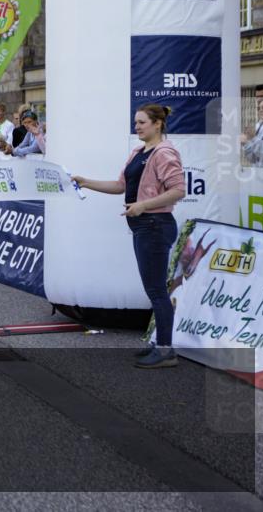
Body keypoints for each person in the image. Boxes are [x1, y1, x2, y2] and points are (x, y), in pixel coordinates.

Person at [72, 104, 186, 368]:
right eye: (135, 122)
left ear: (158, 124)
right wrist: (86, 181)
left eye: (142, 122)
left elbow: (179, 190)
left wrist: (143, 205)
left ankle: (166, 350)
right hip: (145, 225)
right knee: (154, 289)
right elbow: (120, 185)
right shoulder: (138, 152)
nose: (137, 127)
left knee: (157, 290)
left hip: (155, 224)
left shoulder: (164, 152)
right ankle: (161, 345)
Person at [242, 96, 263, 167]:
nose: (260, 110)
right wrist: (246, 143)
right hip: (258, 174)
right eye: (258, 108)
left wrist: (253, 138)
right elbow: (253, 159)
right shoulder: (260, 127)